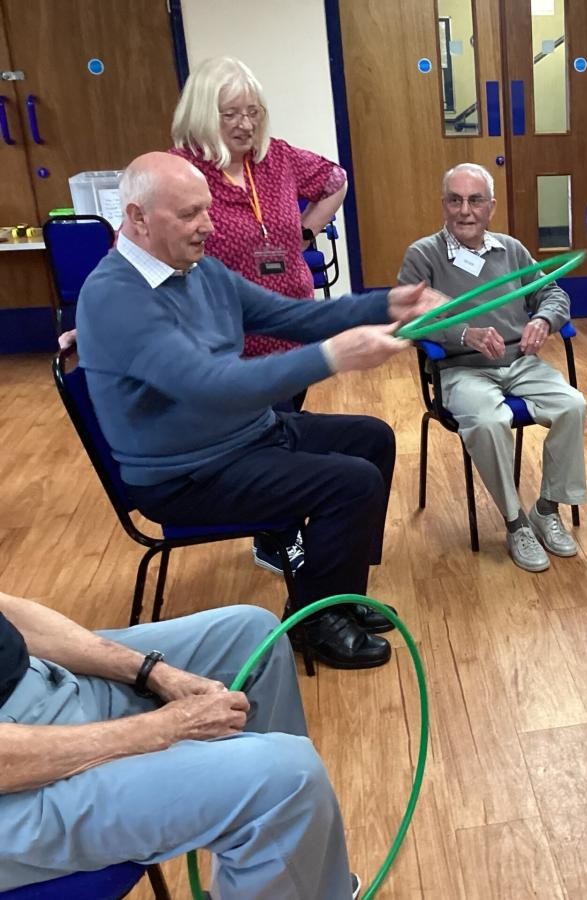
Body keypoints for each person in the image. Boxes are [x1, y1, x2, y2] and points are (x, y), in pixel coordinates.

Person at [76, 152, 443, 669]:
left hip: (245, 437)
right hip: (186, 474)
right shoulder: (114, 298)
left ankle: (338, 593)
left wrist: (386, 304)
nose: (208, 225)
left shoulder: (200, 271)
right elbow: (212, 386)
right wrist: (333, 356)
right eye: (189, 214)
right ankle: (315, 621)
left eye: (206, 209)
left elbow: (291, 316)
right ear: (137, 218)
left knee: (373, 439)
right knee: (352, 482)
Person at [0, 591, 359, 899]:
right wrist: (164, 728)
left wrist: (152, 671)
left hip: (42, 684)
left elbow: (8, 612)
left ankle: (292, 874)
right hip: (15, 781)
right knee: (285, 781)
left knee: (252, 634)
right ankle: (286, 851)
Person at [171, 56, 350, 574]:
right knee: (259, 443)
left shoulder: (276, 159)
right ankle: (276, 532)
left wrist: (306, 231)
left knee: (283, 431)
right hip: (228, 342)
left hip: (289, 330)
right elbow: (133, 249)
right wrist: (97, 318)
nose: (246, 124)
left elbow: (335, 179)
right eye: (231, 113)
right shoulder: (180, 172)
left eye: (253, 112)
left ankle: (279, 529)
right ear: (202, 113)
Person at [398, 163, 587, 573]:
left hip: (519, 363)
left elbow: (553, 293)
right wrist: (464, 334)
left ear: (491, 207)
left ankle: (546, 509)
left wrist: (543, 320)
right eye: (455, 200)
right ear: (444, 204)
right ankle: (516, 522)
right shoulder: (423, 255)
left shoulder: (511, 249)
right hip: (461, 369)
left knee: (573, 405)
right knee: (487, 421)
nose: (465, 210)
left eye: (475, 200)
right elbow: (409, 320)